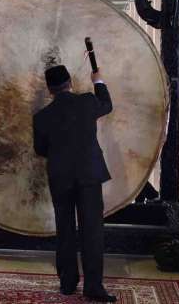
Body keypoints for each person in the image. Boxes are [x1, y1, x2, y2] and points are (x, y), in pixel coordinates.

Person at [32, 65, 116, 303]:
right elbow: (107, 104)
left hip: (60, 177)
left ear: (49, 90)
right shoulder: (88, 101)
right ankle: (93, 286)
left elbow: (40, 150)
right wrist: (98, 80)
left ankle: (67, 284)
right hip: (89, 175)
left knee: (65, 229)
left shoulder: (41, 117)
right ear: (70, 82)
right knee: (92, 231)